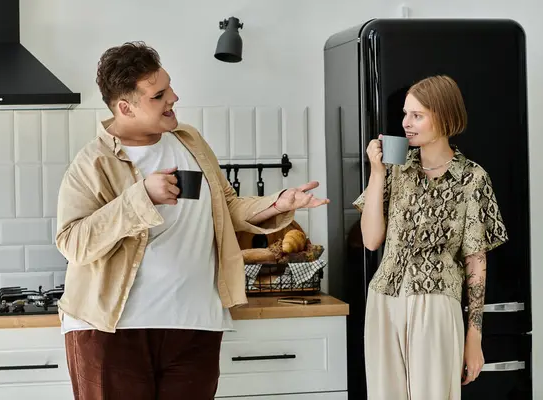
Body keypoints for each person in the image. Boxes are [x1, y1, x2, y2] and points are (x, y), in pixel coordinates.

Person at [54, 41, 329, 400]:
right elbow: (72, 242)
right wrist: (142, 197)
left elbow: (225, 208)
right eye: (159, 95)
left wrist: (278, 203)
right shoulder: (92, 162)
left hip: (194, 322)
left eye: (170, 86)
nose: (174, 97)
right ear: (126, 107)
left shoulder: (189, 141)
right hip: (113, 328)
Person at [353, 75, 508, 399]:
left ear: (445, 116)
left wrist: (474, 337)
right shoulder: (395, 168)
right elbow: (371, 240)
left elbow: (476, 261)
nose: (406, 123)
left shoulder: (472, 178)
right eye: (405, 115)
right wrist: (377, 172)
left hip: (437, 303)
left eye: (417, 115)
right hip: (384, 299)